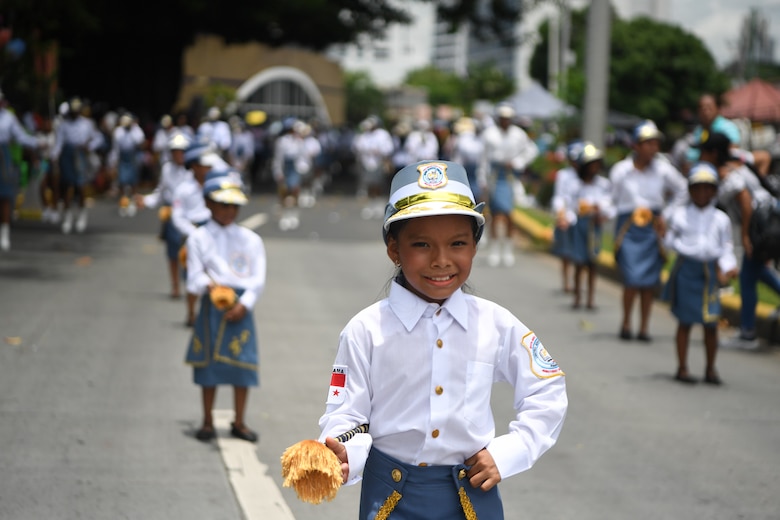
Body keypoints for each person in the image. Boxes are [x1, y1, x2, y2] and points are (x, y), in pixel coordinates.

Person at [317, 160, 567, 519]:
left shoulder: (494, 323)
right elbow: (348, 415)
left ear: (475, 247)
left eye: (458, 243)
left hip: (472, 500)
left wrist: (510, 451)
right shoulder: (366, 330)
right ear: (393, 248)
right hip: (389, 501)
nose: (442, 260)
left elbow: (547, 388)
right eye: (421, 244)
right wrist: (345, 452)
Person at [184, 169, 266, 443]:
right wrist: (209, 286)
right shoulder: (198, 238)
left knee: (242, 365)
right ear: (208, 202)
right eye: (223, 204)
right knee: (209, 366)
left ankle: (239, 421)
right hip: (212, 305)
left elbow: (257, 279)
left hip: (241, 306)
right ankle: (207, 421)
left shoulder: (250, 239)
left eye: (234, 205)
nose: (230, 210)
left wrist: (244, 304)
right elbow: (194, 276)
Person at [699, 131, 780, 349]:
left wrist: (745, 235)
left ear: (713, 153)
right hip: (769, 219)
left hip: (760, 226)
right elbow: (763, 157)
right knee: (755, 274)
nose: (701, 156)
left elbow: (745, 202)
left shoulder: (727, 173)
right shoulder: (738, 159)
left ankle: (747, 333)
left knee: (747, 278)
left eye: (704, 152)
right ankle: (747, 331)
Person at [610, 120, 688, 341]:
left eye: (656, 143)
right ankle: (626, 322)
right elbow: (611, 198)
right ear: (636, 145)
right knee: (631, 279)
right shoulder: (621, 170)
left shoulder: (663, 169)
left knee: (648, 281)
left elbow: (683, 189)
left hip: (652, 228)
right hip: (628, 227)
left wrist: (668, 214)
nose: (653, 148)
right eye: (648, 143)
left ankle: (643, 327)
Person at [662, 162, 738, 384]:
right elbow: (670, 242)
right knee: (685, 322)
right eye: (697, 188)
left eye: (707, 188)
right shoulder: (680, 215)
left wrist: (727, 266)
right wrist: (663, 238)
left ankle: (710, 368)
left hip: (709, 272)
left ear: (714, 191)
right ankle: (682, 367)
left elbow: (726, 247)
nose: (702, 193)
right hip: (687, 270)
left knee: (711, 323)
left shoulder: (721, 219)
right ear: (690, 190)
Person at [480, 104, 539, 267]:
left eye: (508, 118)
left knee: (508, 214)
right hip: (494, 175)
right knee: (495, 214)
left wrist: (517, 162)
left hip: (510, 176)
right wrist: (482, 179)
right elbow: (483, 158)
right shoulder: (489, 134)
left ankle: (507, 250)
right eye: (502, 118)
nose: (505, 121)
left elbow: (531, 150)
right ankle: (494, 250)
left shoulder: (518, 134)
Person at [172, 139, 223, 326]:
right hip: (192, 232)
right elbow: (177, 217)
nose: (208, 167)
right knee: (193, 276)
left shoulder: (217, 186)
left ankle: (208, 314)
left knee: (214, 274)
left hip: (213, 233)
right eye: (203, 164)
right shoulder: (183, 189)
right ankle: (191, 313)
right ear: (193, 166)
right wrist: (194, 233)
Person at [135, 132, 192, 299]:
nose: (178, 154)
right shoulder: (167, 169)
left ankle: (190, 285)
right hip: (171, 214)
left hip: (189, 215)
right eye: (175, 151)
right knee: (173, 251)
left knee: (191, 251)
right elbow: (160, 193)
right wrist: (144, 201)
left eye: (181, 151)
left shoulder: (193, 170)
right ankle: (175, 285)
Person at [567, 142, 615, 310]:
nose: (594, 167)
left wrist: (601, 211)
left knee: (593, 262)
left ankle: (591, 298)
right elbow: (570, 205)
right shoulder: (576, 184)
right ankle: (578, 295)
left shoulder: (603, 184)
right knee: (579, 261)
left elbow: (609, 204)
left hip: (594, 225)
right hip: (580, 224)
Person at [50, 96, 104, 234]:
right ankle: (67, 217)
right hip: (67, 155)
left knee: (80, 187)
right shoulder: (64, 125)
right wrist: (54, 156)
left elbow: (99, 138)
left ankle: (81, 215)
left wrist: (90, 147)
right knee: (68, 186)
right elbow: (59, 143)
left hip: (81, 155)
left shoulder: (87, 123)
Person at [0, 91, 41, 251]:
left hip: (4, 158)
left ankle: (4, 234)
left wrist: (38, 142)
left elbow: (22, 137)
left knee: (4, 196)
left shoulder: (9, 118)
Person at [550, 140, 584, 293]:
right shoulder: (563, 175)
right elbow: (559, 197)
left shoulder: (586, 176)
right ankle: (566, 281)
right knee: (566, 252)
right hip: (566, 217)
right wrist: (561, 214)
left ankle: (578, 283)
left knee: (580, 253)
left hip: (581, 218)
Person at [351, 116, 394, 220]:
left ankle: (378, 204)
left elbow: (388, 148)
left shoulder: (382, 134)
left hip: (378, 162)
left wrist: (378, 151)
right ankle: (371, 204)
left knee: (377, 184)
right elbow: (356, 147)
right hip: (366, 163)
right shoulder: (363, 136)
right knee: (368, 184)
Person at [109, 112, 145, 217]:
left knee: (133, 182)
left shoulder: (136, 130)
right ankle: (123, 203)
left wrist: (132, 132)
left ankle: (133, 203)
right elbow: (115, 148)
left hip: (133, 157)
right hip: (123, 158)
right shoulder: (118, 132)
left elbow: (140, 142)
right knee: (122, 182)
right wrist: (113, 161)